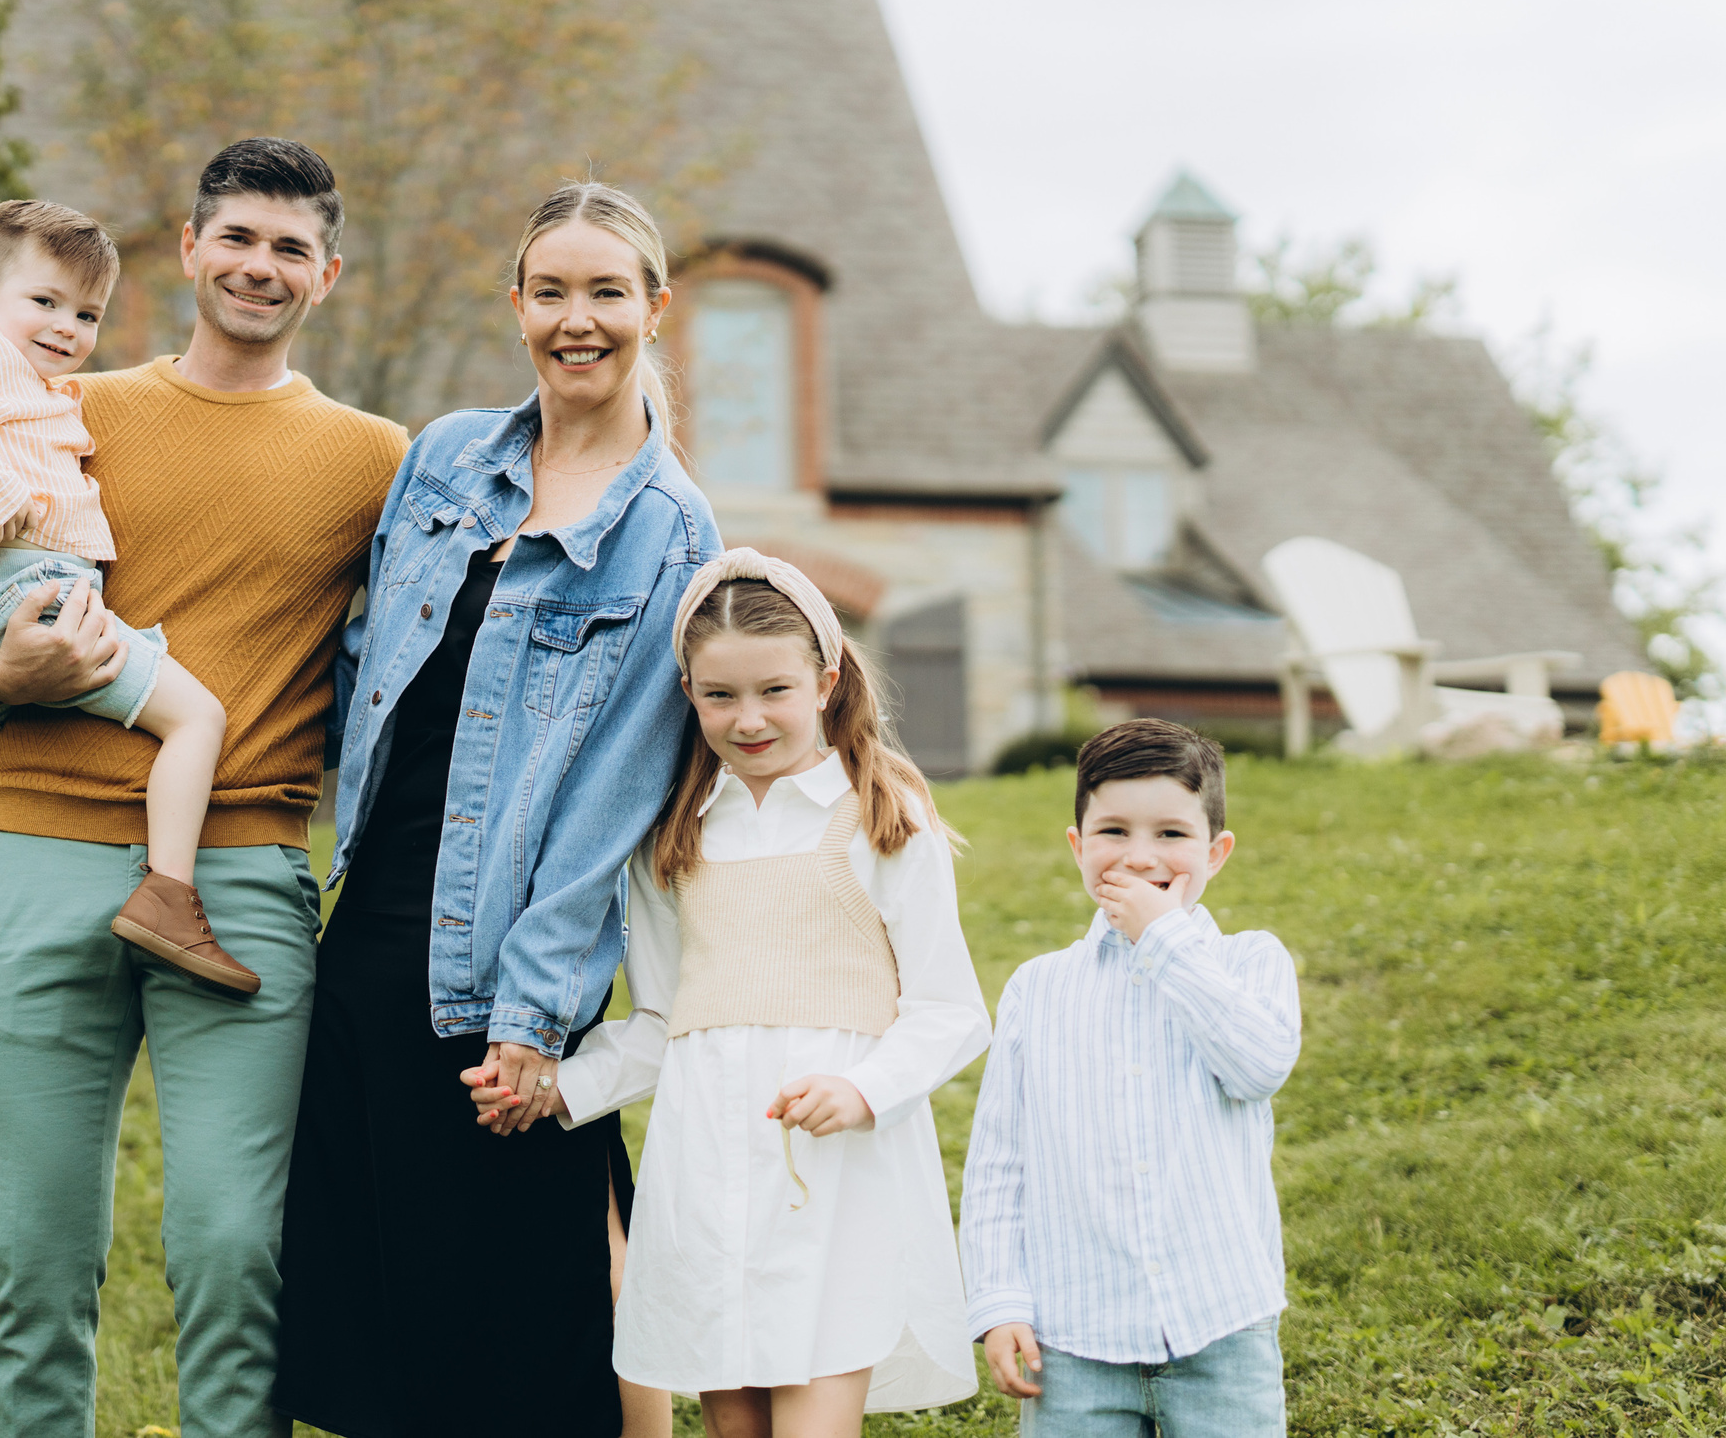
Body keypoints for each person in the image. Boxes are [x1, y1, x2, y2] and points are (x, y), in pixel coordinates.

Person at [0, 139, 408, 1438]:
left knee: (236, 1244)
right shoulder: (61, 405)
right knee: (37, 1254)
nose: (260, 265)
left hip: (239, 884)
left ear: (326, 273)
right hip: (37, 858)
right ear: (190, 245)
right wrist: (2, 668)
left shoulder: (376, 459)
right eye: (240, 237)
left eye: (290, 247)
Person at [273, 182, 719, 1438]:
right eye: (551, 291)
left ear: (652, 306)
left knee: (532, 1311)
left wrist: (533, 1015)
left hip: (503, 962)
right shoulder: (444, 458)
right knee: (387, 1293)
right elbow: (364, 672)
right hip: (371, 932)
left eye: (605, 292)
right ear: (517, 304)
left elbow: (619, 797)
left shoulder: (671, 533)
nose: (576, 320)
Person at [501, 550, 991, 1435]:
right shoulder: (676, 835)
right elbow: (662, 1020)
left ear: (826, 678)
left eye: (775, 690)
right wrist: (556, 1087)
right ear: (686, 689)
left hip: (835, 1179)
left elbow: (950, 1009)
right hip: (708, 1168)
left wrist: (862, 1087)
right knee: (738, 1428)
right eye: (720, 694)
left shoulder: (881, 816)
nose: (749, 717)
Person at [0, 199, 249, 1000]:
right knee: (197, 718)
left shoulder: (28, 380)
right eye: (44, 301)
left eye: (86, 314)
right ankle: (170, 897)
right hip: (34, 584)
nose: (66, 327)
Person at [959, 719, 1303, 1436]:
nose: (1141, 855)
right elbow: (1000, 1161)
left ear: (1217, 852)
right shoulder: (1038, 987)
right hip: (1075, 1341)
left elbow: (1258, 1065)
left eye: (1171, 835)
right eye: (1114, 830)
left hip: (1222, 1329)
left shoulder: (1250, 962)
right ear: (1078, 846)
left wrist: (1164, 936)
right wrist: (1000, 1302)